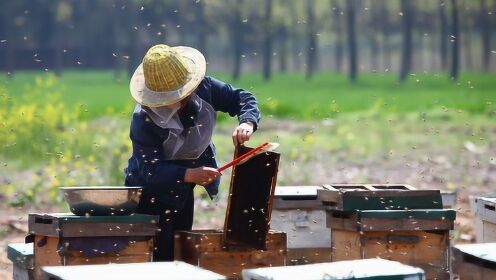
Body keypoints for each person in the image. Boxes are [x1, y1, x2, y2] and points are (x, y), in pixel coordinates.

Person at [124, 44, 260, 261]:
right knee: (158, 255)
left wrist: (247, 122)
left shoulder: (206, 87)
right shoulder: (143, 119)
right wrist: (188, 175)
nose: (179, 103)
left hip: (183, 190)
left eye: (182, 95)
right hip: (149, 194)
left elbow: (242, 98)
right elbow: (151, 170)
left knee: (181, 248)